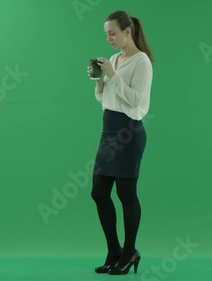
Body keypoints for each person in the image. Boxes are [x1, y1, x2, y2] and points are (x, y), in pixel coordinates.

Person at [86, 10, 154, 275]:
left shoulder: (142, 61)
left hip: (129, 133)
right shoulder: (114, 59)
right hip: (108, 132)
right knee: (99, 192)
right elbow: (105, 101)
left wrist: (113, 75)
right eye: (106, 34)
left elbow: (137, 101)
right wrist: (99, 82)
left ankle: (129, 251)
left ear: (128, 31)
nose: (109, 38)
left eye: (113, 33)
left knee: (126, 195)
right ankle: (114, 250)